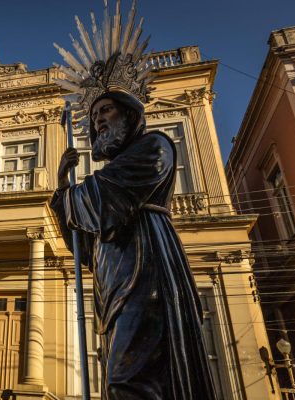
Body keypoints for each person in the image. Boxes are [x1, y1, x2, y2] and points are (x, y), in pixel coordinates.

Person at [50, 90, 217, 399]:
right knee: (117, 369)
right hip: (110, 271)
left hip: (145, 257)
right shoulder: (108, 177)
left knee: (127, 378)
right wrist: (63, 185)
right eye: (94, 115)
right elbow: (82, 238)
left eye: (106, 110)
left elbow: (108, 196)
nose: (98, 118)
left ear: (130, 115)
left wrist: (71, 195)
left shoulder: (155, 145)